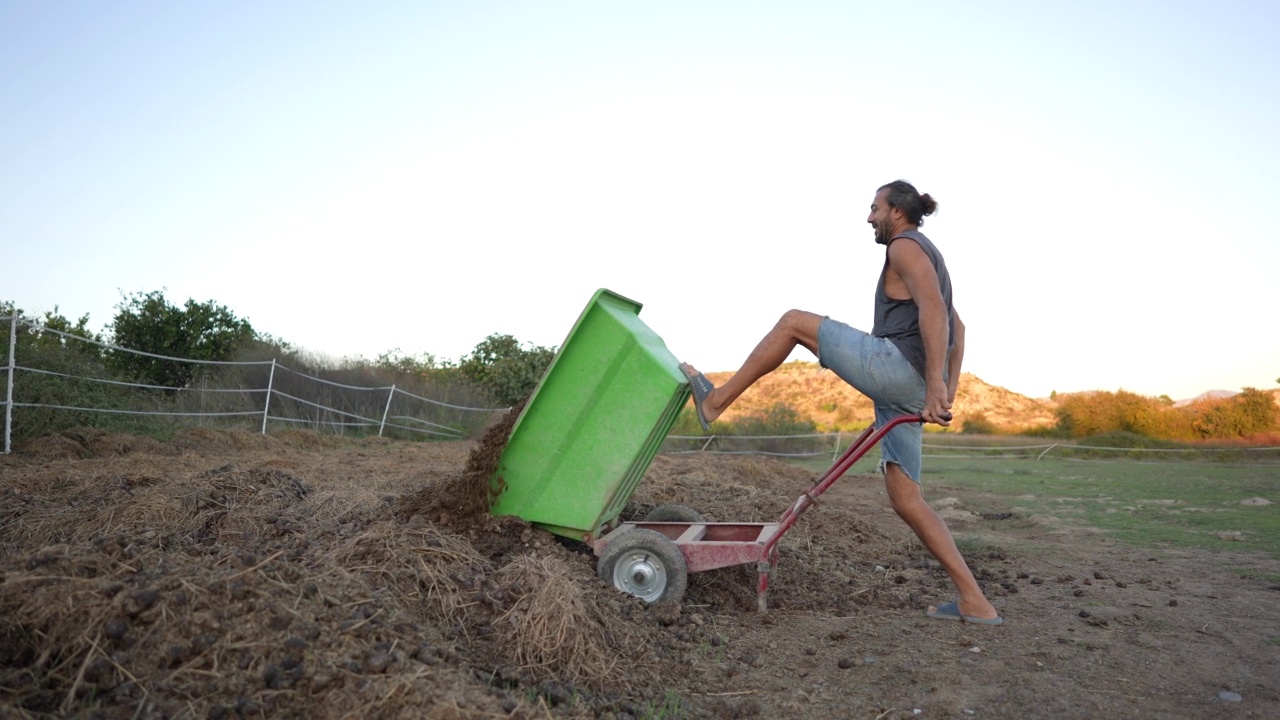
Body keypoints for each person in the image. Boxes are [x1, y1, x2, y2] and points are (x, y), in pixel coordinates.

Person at [680, 180, 1002, 625]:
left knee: (794, 322)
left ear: (897, 212)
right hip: (910, 385)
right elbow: (958, 327)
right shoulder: (930, 253)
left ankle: (715, 403)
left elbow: (933, 312)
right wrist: (946, 387)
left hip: (897, 368)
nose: (869, 217)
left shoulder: (904, 247)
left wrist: (934, 388)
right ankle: (975, 601)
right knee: (907, 499)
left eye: (875, 208)